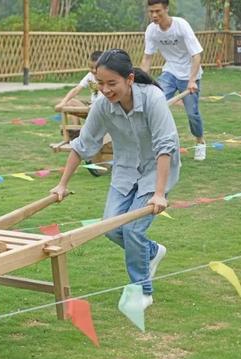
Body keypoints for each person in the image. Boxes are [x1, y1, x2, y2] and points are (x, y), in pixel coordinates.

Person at [50, 49, 180, 309]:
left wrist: (159, 192)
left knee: (132, 229)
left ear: (129, 79)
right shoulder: (101, 105)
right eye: (100, 83)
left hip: (157, 170)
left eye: (112, 83)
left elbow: (166, 146)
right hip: (125, 170)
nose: (106, 90)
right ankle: (151, 252)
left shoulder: (153, 98)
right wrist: (62, 184)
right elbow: (83, 144)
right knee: (109, 227)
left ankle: (142, 291)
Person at [140, 0, 207, 161]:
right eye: (151, 12)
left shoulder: (181, 25)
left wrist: (191, 81)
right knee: (155, 105)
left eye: (158, 11)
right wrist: (139, 82)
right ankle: (157, 145)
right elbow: (147, 58)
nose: (154, 15)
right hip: (170, 72)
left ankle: (200, 142)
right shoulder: (151, 30)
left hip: (190, 74)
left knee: (192, 114)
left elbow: (196, 55)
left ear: (166, 9)